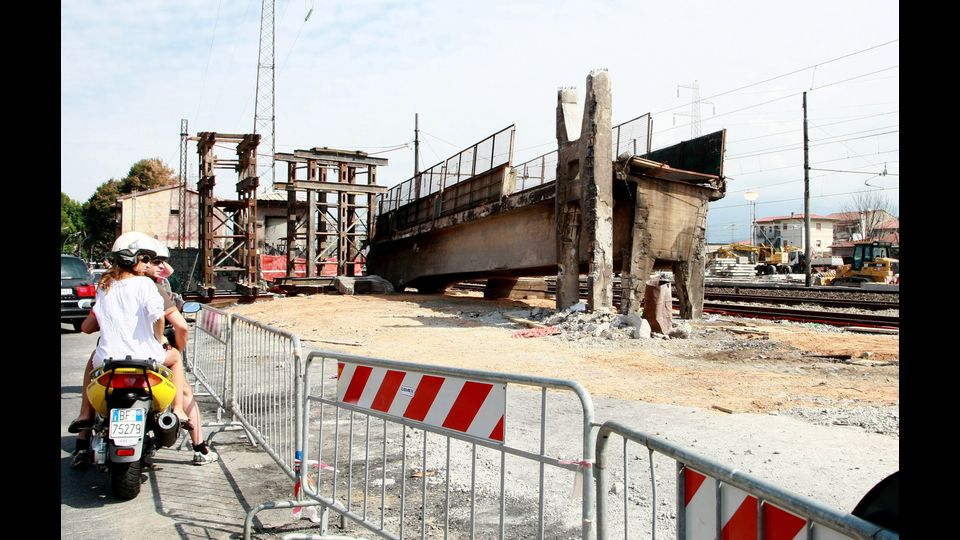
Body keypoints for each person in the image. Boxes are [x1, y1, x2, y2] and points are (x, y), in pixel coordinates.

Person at [68, 233, 215, 467]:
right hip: (146, 357)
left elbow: (86, 327)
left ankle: (85, 420)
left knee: (92, 360)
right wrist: (158, 340)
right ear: (131, 258)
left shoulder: (105, 286)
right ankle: (179, 413)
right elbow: (162, 319)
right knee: (176, 360)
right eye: (146, 258)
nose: (150, 264)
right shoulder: (147, 285)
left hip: (109, 359)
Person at [143, 242, 218, 465]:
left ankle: (83, 440)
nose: (160, 266)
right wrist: (170, 344)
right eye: (152, 261)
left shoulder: (112, 284)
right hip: (152, 353)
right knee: (184, 392)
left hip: (114, 355)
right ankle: (200, 449)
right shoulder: (151, 289)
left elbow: (89, 326)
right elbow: (177, 325)